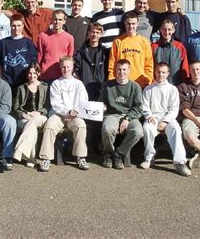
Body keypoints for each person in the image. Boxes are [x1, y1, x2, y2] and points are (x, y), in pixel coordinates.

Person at [38, 56, 90, 172]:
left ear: (72, 68)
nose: (65, 69)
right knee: (50, 126)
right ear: (60, 68)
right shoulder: (56, 83)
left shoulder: (78, 84)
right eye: (63, 67)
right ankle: (46, 158)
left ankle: (80, 157)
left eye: (68, 67)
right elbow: (55, 103)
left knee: (81, 126)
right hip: (58, 114)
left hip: (75, 115)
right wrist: (67, 112)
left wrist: (75, 111)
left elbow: (83, 101)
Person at [140, 62, 191, 176]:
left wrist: (165, 120)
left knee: (176, 130)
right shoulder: (148, 89)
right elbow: (145, 106)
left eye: (163, 72)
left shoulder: (172, 89)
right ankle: (149, 157)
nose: (160, 75)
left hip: (168, 118)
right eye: (158, 72)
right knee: (147, 128)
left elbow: (174, 109)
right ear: (155, 72)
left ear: (168, 73)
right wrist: (149, 116)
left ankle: (179, 162)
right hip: (153, 117)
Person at [100, 59, 143, 170]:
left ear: (129, 71)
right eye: (119, 69)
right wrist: (102, 107)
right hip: (112, 114)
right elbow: (100, 102)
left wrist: (127, 118)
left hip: (129, 115)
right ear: (115, 70)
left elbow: (138, 108)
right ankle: (108, 153)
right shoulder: (107, 85)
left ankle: (119, 153)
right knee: (107, 129)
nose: (121, 72)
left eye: (124, 69)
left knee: (138, 131)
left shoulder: (135, 87)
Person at [73, 22, 110, 152]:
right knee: (84, 119)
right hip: (85, 88)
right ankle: (83, 147)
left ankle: (96, 146)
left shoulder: (105, 52)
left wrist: (105, 85)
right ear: (89, 33)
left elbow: (108, 70)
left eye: (97, 32)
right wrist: (80, 83)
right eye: (92, 32)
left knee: (98, 118)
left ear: (101, 34)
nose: (94, 35)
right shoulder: (80, 52)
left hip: (100, 88)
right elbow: (75, 70)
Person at [12, 62, 50, 167]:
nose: (32, 75)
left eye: (34, 73)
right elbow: (16, 107)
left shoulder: (45, 87)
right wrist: (23, 114)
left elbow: (48, 106)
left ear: (38, 73)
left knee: (32, 122)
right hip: (25, 117)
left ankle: (19, 150)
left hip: (40, 117)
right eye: (30, 73)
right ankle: (31, 159)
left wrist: (38, 112)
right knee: (31, 126)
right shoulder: (21, 88)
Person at [108, 11, 153, 89]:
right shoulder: (117, 41)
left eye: (133, 24)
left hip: (139, 84)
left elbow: (149, 64)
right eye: (128, 24)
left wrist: (147, 81)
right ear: (125, 24)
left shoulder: (144, 42)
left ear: (137, 24)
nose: (131, 26)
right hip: (121, 83)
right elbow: (112, 63)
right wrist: (112, 80)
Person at [0, 14, 37, 97]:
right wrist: (1, 79)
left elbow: (33, 63)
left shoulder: (28, 43)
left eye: (19, 25)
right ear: (10, 25)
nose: (16, 28)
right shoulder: (3, 43)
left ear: (23, 25)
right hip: (8, 82)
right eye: (14, 26)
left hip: (24, 82)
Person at [37, 10, 74, 83]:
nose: (57, 22)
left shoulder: (69, 38)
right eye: (55, 19)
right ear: (51, 20)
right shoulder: (42, 36)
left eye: (60, 20)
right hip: (45, 76)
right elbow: (39, 56)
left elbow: (70, 58)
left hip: (62, 76)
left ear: (64, 21)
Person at [151, 19, 189, 86]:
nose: (167, 32)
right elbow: (150, 67)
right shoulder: (154, 47)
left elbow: (184, 68)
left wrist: (184, 84)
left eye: (169, 29)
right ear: (160, 30)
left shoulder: (179, 47)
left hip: (175, 85)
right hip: (157, 85)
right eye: (164, 29)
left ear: (173, 30)